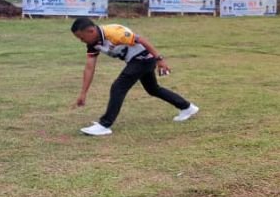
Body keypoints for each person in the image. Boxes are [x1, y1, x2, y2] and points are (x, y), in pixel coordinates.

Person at [70, 17, 198, 136]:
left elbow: (141, 40)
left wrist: (159, 59)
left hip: (143, 59)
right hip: (137, 60)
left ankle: (104, 125)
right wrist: (83, 93)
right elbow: (89, 67)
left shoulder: (114, 33)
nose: (82, 41)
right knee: (153, 89)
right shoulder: (93, 43)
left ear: (91, 31)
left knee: (118, 87)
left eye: (82, 38)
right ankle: (187, 107)